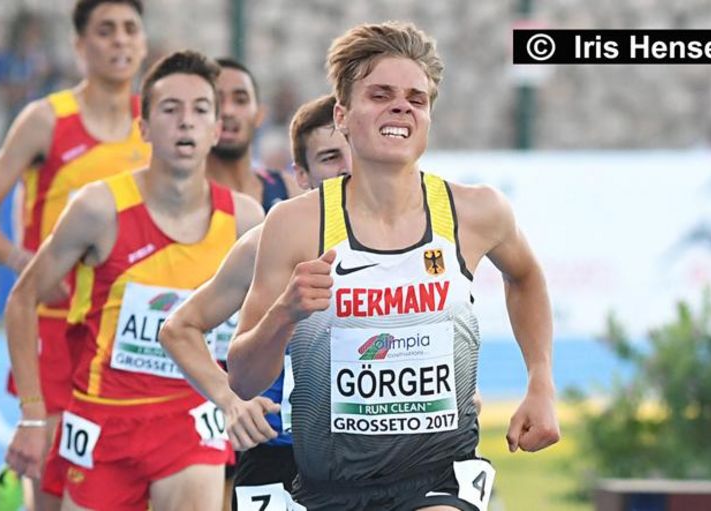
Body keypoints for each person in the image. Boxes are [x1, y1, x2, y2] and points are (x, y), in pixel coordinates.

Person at [228, 21, 560, 510]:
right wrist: (284, 314)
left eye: (416, 99)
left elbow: (525, 276)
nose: (401, 107)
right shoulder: (295, 225)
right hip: (329, 489)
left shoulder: (475, 212)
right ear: (342, 115)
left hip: (439, 474)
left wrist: (540, 381)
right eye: (380, 94)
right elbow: (243, 379)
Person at [4, 49, 268, 511]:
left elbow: (265, 320)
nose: (186, 121)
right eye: (171, 109)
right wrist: (32, 413)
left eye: (200, 110)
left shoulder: (246, 220)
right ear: (143, 127)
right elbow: (22, 300)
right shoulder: (98, 208)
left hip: (190, 421)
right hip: (103, 422)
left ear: (214, 129)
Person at [0, 1, 149, 509]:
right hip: (55, 326)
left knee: (129, 479)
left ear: (143, 43)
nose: (120, 40)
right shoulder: (46, 121)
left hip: (129, 331)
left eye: (130, 29)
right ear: (79, 45)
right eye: (106, 30)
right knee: (54, 479)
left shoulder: (156, 121)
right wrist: (24, 263)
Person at [159, 93, 351, 511]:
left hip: (382, 457)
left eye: (353, 149)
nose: (347, 166)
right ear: (302, 175)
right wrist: (230, 401)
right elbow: (178, 328)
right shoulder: (266, 244)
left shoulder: (409, 240)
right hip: (280, 458)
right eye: (330, 157)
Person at [207, 58, 302, 211]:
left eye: (240, 100)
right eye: (216, 101)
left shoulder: (290, 193)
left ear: (260, 115)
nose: (227, 111)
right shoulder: (181, 200)